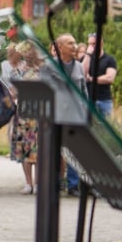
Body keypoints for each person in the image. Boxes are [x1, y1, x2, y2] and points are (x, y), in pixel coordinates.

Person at [52, 33, 86, 196]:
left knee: (74, 152)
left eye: (75, 43)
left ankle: (73, 186)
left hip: (75, 116)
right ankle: (55, 184)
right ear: (60, 47)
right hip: (56, 117)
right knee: (55, 151)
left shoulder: (79, 66)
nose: (75, 46)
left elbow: (84, 90)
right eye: (70, 43)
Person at [9, 41, 42, 194]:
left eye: (31, 51)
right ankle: (28, 182)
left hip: (39, 114)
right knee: (24, 149)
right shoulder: (17, 70)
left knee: (38, 149)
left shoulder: (42, 69)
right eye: (25, 51)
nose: (28, 54)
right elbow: (12, 91)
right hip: (23, 114)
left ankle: (37, 183)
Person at [82, 33, 117, 118]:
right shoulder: (86, 58)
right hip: (88, 99)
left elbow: (110, 78)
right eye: (89, 44)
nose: (91, 46)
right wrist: (88, 55)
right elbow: (82, 73)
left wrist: (91, 79)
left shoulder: (109, 59)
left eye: (93, 44)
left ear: (101, 43)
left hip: (104, 100)